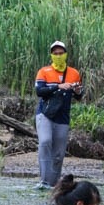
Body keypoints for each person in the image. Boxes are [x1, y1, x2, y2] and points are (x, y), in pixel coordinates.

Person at [33, 40, 83, 189]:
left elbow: (79, 96)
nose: (58, 56)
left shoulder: (74, 73)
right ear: (51, 55)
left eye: (61, 53)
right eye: (55, 53)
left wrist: (78, 90)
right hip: (45, 113)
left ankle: (54, 184)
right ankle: (44, 181)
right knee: (45, 142)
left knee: (59, 154)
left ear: (66, 54)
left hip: (63, 116)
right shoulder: (44, 71)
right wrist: (58, 86)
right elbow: (39, 91)